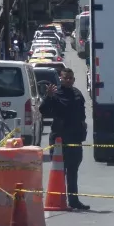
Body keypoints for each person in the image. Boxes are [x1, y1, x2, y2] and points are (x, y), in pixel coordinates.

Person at [40, 69, 90, 211]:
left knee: (73, 170)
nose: (68, 80)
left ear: (73, 79)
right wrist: (48, 97)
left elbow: (82, 114)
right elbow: (43, 110)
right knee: (59, 171)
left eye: (70, 78)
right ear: (60, 79)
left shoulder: (77, 94)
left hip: (75, 138)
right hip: (59, 139)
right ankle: (59, 200)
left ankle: (73, 201)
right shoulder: (55, 94)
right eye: (65, 78)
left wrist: (83, 126)